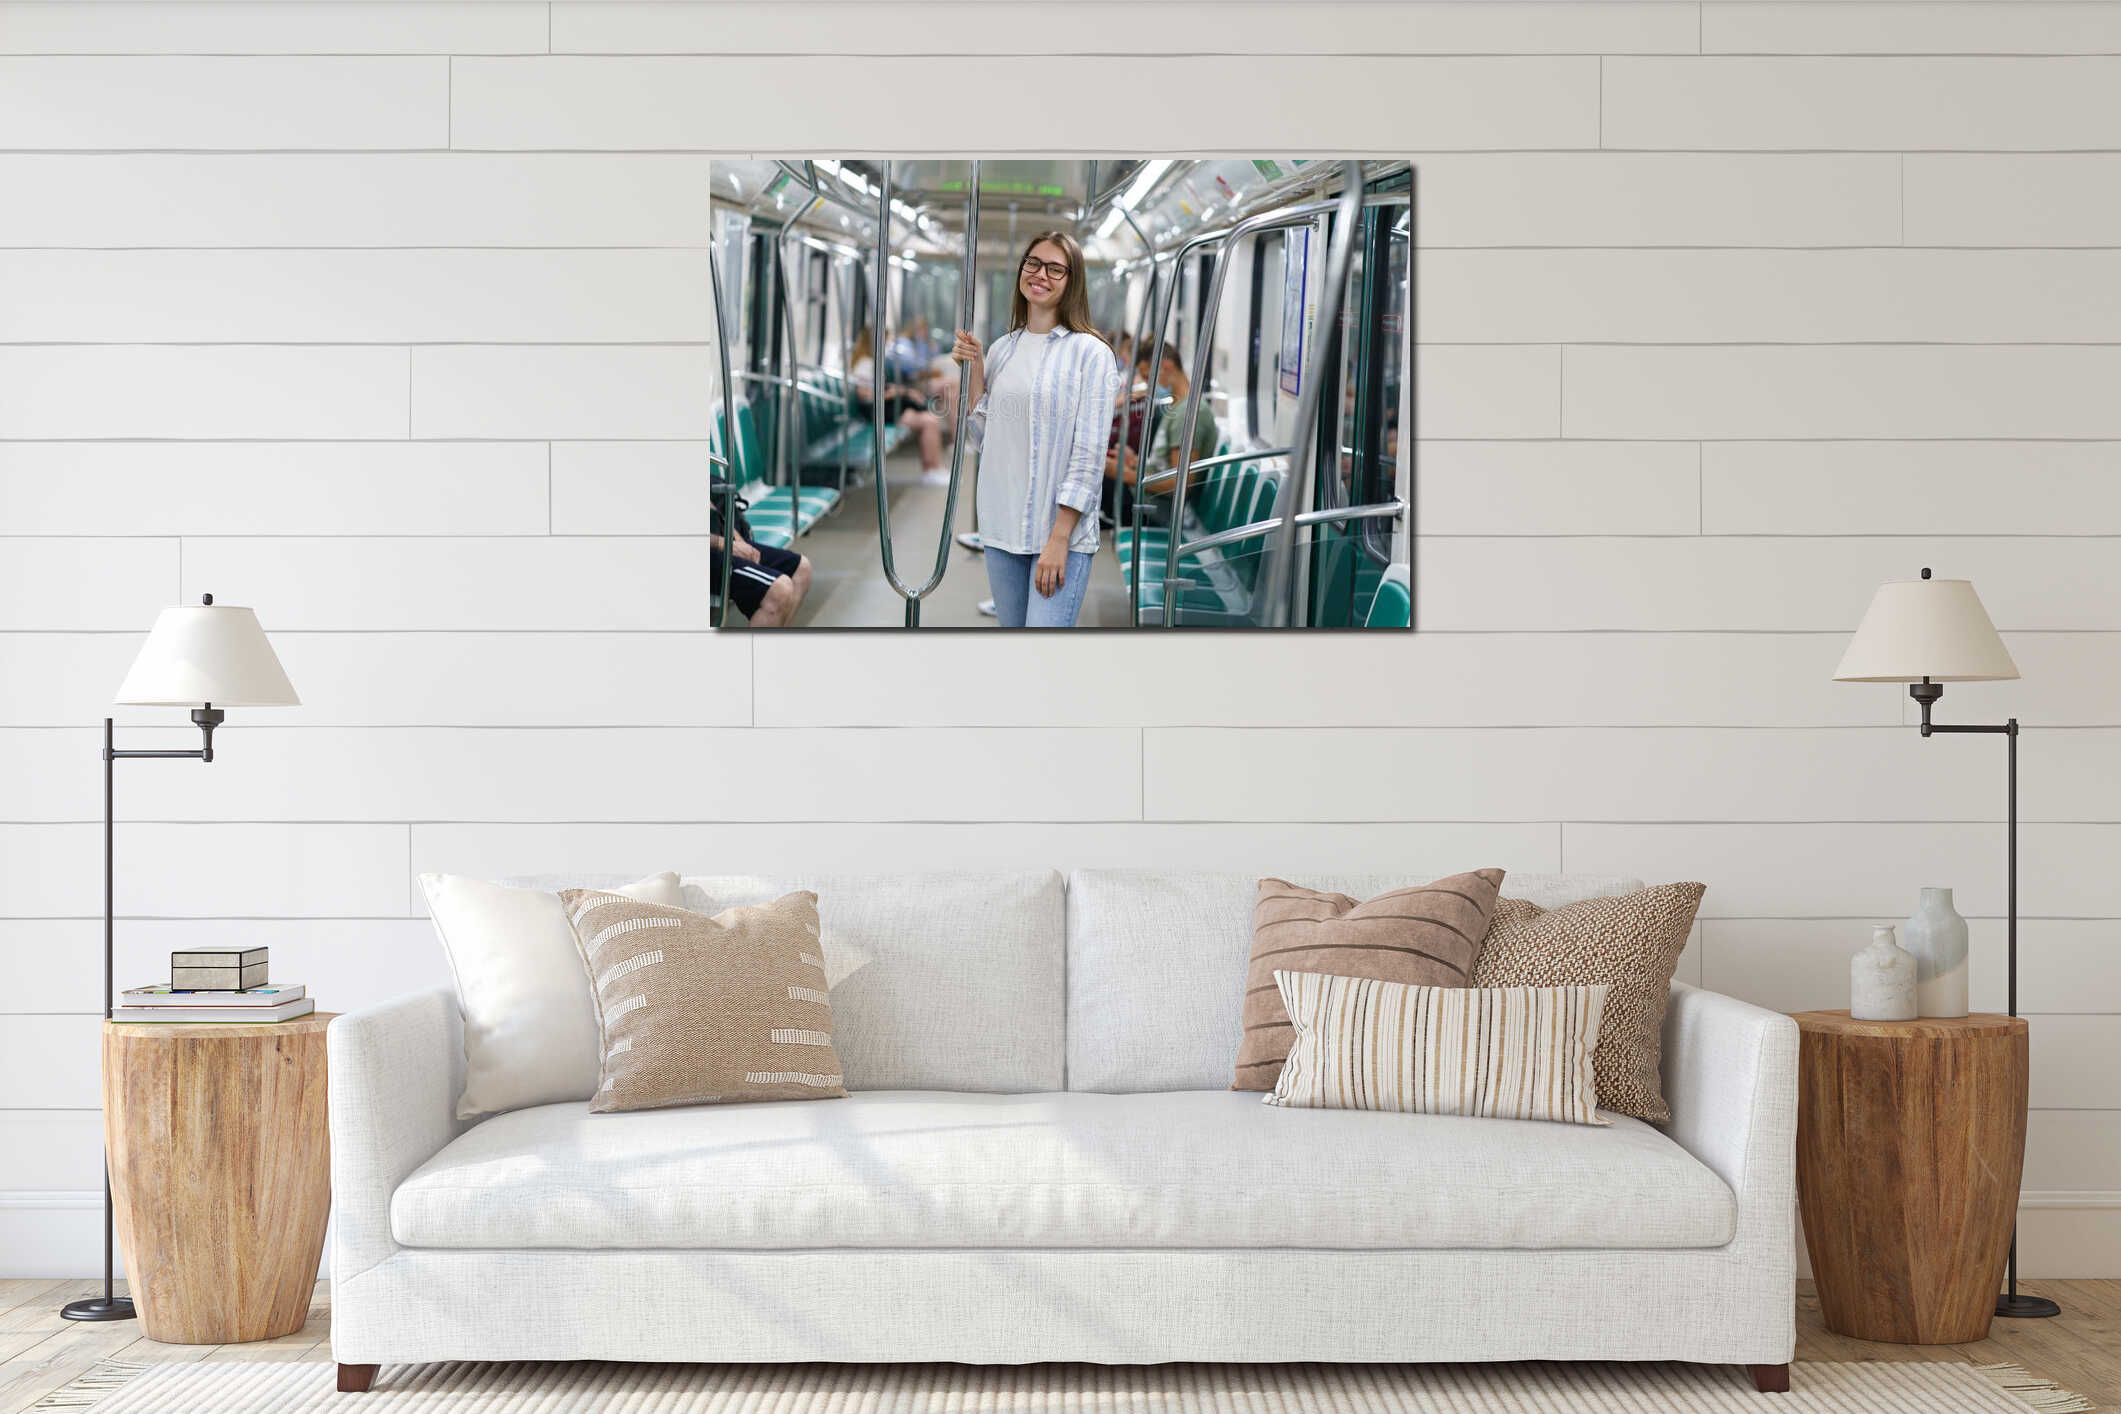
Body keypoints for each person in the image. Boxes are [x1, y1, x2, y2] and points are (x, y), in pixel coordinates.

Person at [951, 231, 1121, 629]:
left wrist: (1059, 538)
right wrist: (976, 369)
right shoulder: (1002, 349)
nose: (1040, 274)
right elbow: (984, 439)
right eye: (1033, 263)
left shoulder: (1091, 354)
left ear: (1072, 280)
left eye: (1055, 268)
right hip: (1003, 529)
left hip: (1058, 537)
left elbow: (1089, 456)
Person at [851, 328, 948, 484]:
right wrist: (895, 392)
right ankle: (930, 470)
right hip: (874, 412)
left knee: (929, 419)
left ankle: (933, 467)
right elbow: (865, 394)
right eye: (884, 340)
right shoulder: (865, 364)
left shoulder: (872, 361)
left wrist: (902, 391)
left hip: (881, 409)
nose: (886, 344)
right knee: (930, 422)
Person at [709, 481, 812, 628]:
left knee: (801, 569)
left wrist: (737, 540)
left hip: (718, 538)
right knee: (779, 590)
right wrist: (724, 544)